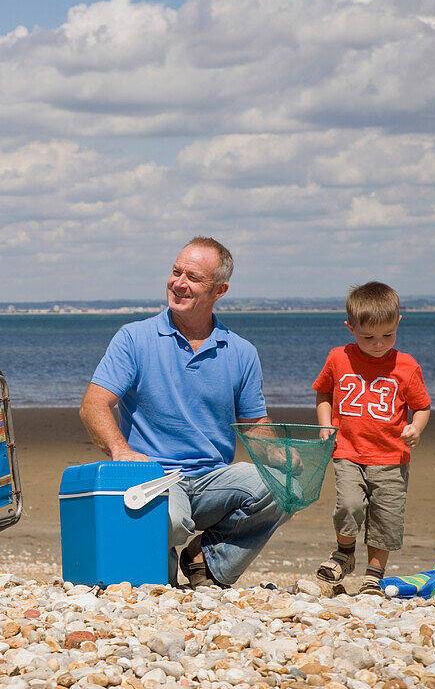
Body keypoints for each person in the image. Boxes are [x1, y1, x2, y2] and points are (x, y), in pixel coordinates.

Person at [80, 236, 288, 588]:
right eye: (176, 272)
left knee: (285, 487)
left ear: (219, 291)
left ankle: (206, 562)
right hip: (155, 476)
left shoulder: (242, 352)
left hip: (213, 479)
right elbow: (93, 406)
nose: (178, 283)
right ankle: (158, 571)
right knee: (168, 536)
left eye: (192, 277)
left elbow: (254, 424)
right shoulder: (134, 338)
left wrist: (285, 457)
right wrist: (121, 452)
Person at [313, 282, 431, 595]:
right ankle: (344, 554)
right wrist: (326, 425)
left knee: (386, 516)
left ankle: (373, 575)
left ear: (398, 323)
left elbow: (422, 406)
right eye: (368, 337)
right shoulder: (339, 358)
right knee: (349, 505)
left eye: (387, 336)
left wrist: (416, 428)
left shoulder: (406, 366)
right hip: (347, 451)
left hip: (392, 458)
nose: (378, 345)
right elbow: (324, 391)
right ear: (350, 327)